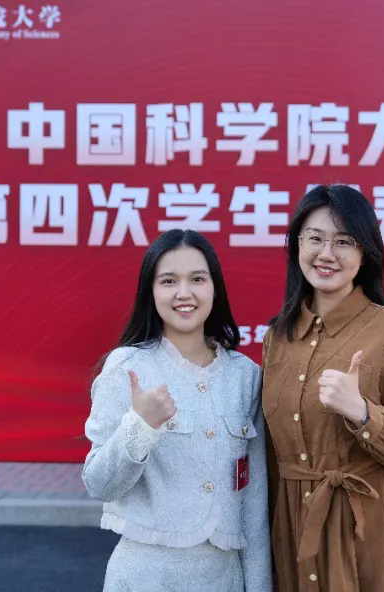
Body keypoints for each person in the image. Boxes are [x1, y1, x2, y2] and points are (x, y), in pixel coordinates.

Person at [262, 184, 384, 592]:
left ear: (366, 253)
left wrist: (363, 413)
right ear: (297, 246)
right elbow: (272, 454)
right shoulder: (278, 337)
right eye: (315, 238)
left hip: (371, 538)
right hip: (294, 536)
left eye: (344, 241)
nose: (326, 253)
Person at [82, 229, 271, 592]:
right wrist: (140, 427)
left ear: (214, 288)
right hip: (145, 577)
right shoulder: (127, 368)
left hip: (224, 579)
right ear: (151, 292)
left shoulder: (245, 376)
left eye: (197, 279)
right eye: (169, 281)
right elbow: (100, 484)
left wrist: (259, 585)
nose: (184, 293)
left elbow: (254, 500)